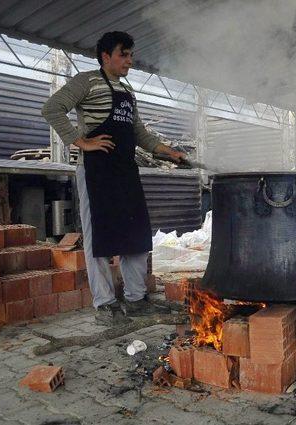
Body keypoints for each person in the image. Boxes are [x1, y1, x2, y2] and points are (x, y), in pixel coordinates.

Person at [42, 31, 186, 325]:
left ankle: (136, 299)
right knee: (99, 238)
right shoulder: (86, 81)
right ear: (106, 56)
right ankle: (104, 303)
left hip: (124, 170)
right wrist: (80, 141)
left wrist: (166, 151)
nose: (129, 61)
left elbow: (139, 134)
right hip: (96, 172)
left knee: (136, 235)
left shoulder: (128, 91)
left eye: (131, 55)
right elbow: (52, 108)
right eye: (124, 54)